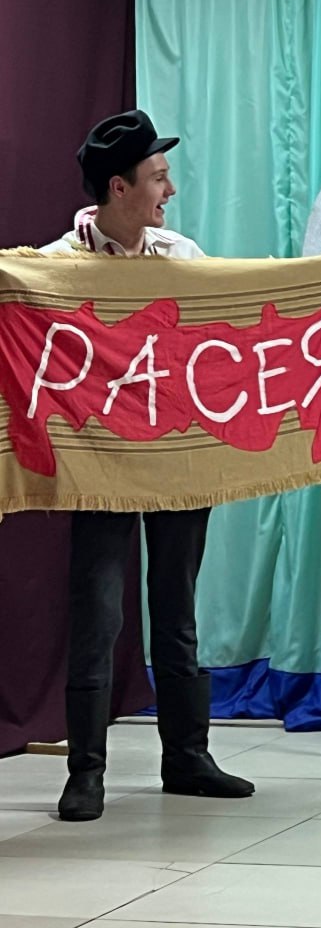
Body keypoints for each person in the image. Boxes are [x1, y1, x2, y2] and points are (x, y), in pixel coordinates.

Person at [37, 109, 254, 821]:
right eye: (159, 177)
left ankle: (188, 758)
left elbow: (223, 339)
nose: (171, 189)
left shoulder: (182, 255)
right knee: (97, 615)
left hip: (177, 461)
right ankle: (86, 773)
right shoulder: (55, 267)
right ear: (118, 187)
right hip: (100, 468)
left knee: (177, 610)